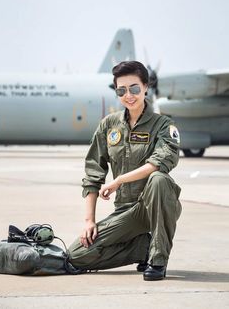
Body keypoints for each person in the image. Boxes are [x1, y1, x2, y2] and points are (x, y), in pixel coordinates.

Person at [68, 61, 182, 281]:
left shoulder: (164, 125)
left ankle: (158, 260)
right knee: (77, 255)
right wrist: (88, 221)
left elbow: (157, 164)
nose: (128, 95)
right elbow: (93, 173)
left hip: (155, 207)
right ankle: (142, 248)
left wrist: (119, 180)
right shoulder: (108, 125)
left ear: (146, 87)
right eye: (122, 90)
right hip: (126, 212)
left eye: (134, 88)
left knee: (159, 179)